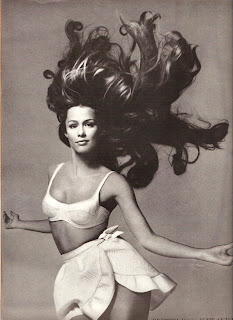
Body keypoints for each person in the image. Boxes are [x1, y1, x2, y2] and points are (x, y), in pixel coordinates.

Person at [3, 12, 232, 320]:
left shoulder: (112, 183)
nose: (81, 131)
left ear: (101, 129)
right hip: (75, 272)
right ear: (65, 129)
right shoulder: (54, 172)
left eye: (89, 124)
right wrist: (20, 224)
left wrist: (202, 254)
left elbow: (147, 238)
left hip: (119, 272)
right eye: (74, 125)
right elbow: (63, 223)